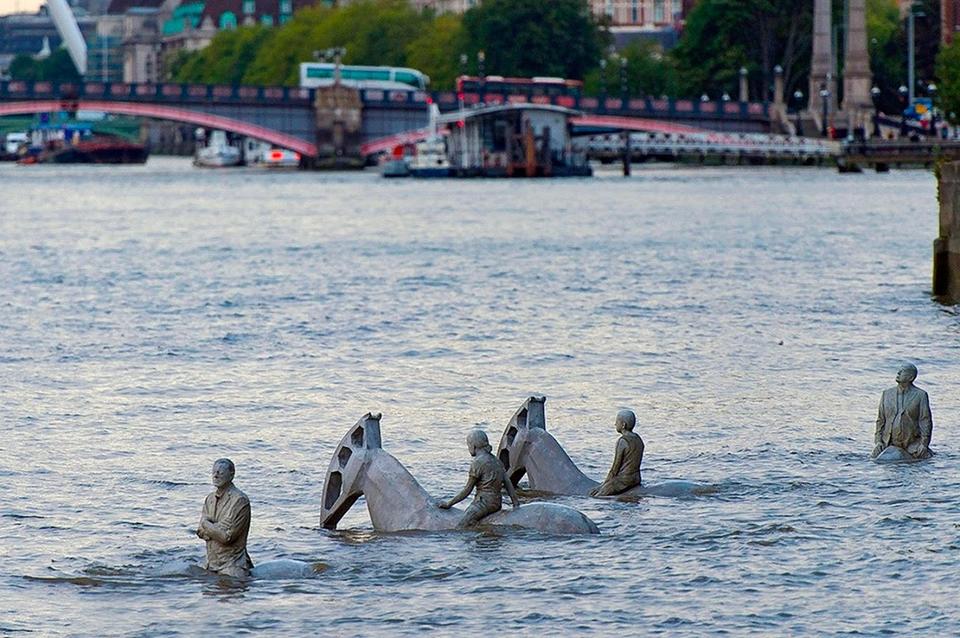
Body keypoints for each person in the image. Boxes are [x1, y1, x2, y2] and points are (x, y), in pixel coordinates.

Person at [439, 429, 520, 527]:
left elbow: (467, 490)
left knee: (460, 526)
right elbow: (508, 483)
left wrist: (449, 504)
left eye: (468, 445)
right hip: (497, 503)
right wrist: (515, 503)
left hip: (483, 504)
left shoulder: (477, 463)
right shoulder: (496, 461)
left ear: (473, 446)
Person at [197, 458, 254, 577]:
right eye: (214, 472)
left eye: (221, 472)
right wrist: (216, 528)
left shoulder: (239, 500)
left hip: (231, 565)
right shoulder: (210, 499)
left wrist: (207, 525)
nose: (216, 475)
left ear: (231, 475)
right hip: (211, 563)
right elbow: (200, 532)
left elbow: (226, 537)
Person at [872, 363, 934, 460]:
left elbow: (925, 421)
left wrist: (924, 444)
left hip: (912, 444)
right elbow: (881, 421)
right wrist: (878, 442)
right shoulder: (886, 394)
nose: (898, 373)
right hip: (888, 443)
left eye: (903, 371)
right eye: (899, 370)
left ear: (911, 377)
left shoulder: (920, 395)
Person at [590, 409, 644, 497]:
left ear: (623, 425)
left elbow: (615, 467)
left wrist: (603, 485)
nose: (615, 424)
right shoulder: (638, 439)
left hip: (624, 480)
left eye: (617, 421)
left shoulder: (622, 441)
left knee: (597, 496)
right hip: (636, 478)